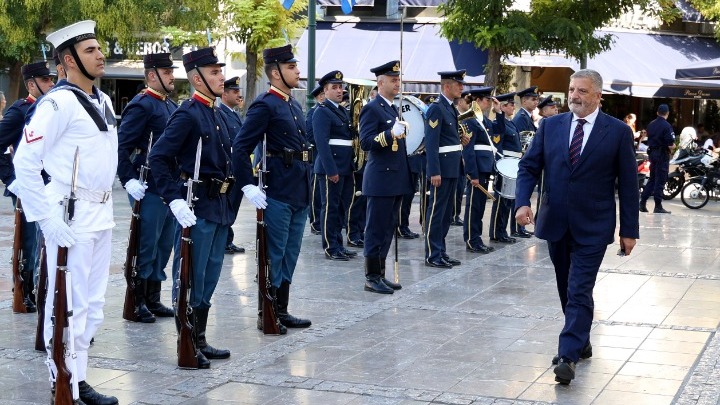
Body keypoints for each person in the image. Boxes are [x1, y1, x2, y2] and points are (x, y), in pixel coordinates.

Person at [14, 20, 119, 404]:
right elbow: (25, 162)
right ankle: (63, 384)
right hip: (69, 215)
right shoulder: (56, 103)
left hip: (101, 214)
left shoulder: (103, 100)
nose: (100, 54)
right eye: (90, 50)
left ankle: (79, 378)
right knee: (65, 304)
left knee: (92, 307)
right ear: (68, 61)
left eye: (98, 47)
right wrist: (45, 217)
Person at [514, 69, 639, 385]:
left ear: (598, 96)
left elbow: (628, 184)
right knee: (565, 287)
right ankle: (581, 339)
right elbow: (529, 166)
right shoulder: (551, 126)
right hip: (556, 221)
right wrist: (522, 202)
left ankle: (567, 354)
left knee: (579, 287)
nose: (574, 96)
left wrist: (629, 230)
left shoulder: (617, 132)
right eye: (572, 90)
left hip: (594, 226)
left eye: (582, 91)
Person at [149, 47, 233, 367]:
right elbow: (158, 157)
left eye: (220, 71)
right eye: (214, 73)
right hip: (196, 205)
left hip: (217, 207)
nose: (221, 76)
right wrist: (173, 198)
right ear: (197, 79)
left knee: (208, 278)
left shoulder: (217, 112)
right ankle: (187, 343)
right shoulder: (188, 113)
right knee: (190, 278)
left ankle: (199, 338)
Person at [233, 44, 312, 331]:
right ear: (276, 73)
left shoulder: (293, 104)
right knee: (274, 253)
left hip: (299, 188)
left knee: (291, 253)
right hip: (277, 190)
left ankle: (282, 309)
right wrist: (248, 185)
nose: (298, 71)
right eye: (292, 67)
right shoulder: (265, 104)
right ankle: (266, 312)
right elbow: (240, 147)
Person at [117, 52, 178, 323]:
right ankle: (137, 300)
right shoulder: (142, 105)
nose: (172, 76)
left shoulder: (170, 105)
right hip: (148, 186)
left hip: (167, 187)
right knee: (146, 245)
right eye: (167, 73)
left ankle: (153, 297)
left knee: (163, 245)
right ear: (152, 75)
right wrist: (128, 179)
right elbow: (121, 146)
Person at [0, 61, 56, 313]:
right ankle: (25, 291)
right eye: (46, 81)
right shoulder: (20, 110)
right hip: (28, 187)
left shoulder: (51, 110)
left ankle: (40, 288)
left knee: (46, 243)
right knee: (29, 242)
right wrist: (11, 179)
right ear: (32, 84)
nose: (51, 84)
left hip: (50, 186)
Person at [358, 60, 411, 293]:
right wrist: (390, 134)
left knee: (388, 226)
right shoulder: (372, 108)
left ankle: (380, 272)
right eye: (392, 79)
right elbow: (366, 142)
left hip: (395, 178)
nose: (397, 82)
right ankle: (371, 276)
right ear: (380, 83)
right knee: (375, 228)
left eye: (398, 79)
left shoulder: (391, 107)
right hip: (380, 179)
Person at [312, 70, 357, 261]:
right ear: (325, 91)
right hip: (332, 168)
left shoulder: (341, 111)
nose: (340, 91)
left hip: (345, 167)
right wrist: (331, 170)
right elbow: (322, 144)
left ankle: (338, 242)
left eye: (341, 87)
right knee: (330, 207)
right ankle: (331, 246)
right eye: (335, 88)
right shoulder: (322, 112)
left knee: (340, 207)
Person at [424, 70, 465, 268]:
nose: (462, 88)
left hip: (453, 167)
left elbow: (448, 138)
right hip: (441, 168)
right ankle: (432, 253)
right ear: (447, 86)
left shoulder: (450, 108)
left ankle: (441, 250)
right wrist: (434, 171)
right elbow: (431, 143)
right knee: (437, 211)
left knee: (448, 211)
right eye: (458, 84)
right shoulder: (436, 108)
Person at [461, 87, 504, 254]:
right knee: (473, 207)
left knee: (479, 207)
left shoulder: (483, 121)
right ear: (477, 101)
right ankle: (472, 240)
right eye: (486, 100)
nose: (488, 103)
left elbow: (500, 130)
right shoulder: (470, 120)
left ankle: (477, 238)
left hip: (485, 168)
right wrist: (472, 174)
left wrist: (498, 112)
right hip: (477, 169)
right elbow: (468, 150)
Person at [218, 76, 246, 255]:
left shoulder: (233, 114)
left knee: (233, 206)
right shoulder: (220, 113)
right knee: (227, 205)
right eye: (234, 92)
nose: (238, 95)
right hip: (227, 170)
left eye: (238, 91)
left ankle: (227, 239)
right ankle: (223, 240)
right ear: (224, 93)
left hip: (236, 170)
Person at [489, 92, 519, 244]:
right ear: (502, 107)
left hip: (512, 164)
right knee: (501, 200)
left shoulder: (511, 123)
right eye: (510, 104)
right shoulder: (498, 123)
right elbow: (497, 144)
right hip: (505, 164)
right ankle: (496, 231)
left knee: (507, 201)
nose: (513, 106)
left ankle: (502, 230)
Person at [510, 86, 538, 238]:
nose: (536, 102)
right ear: (524, 100)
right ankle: (517, 228)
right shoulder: (521, 117)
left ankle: (519, 228)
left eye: (536, 99)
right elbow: (521, 141)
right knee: (519, 195)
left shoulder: (527, 116)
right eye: (533, 99)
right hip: (521, 159)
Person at [639, 104, 675, 214]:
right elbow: (670, 143)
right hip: (662, 155)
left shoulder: (651, 124)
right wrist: (673, 148)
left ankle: (642, 202)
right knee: (660, 180)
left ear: (657, 113)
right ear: (667, 113)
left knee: (652, 179)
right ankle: (658, 205)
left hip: (652, 154)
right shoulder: (666, 126)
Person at [306, 85, 325, 235]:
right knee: (316, 192)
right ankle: (315, 221)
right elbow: (310, 136)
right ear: (319, 96)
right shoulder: (313, 112)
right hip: (317, 155)